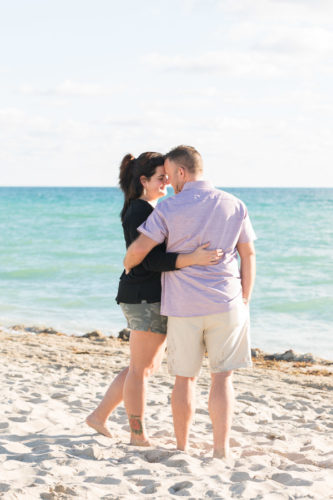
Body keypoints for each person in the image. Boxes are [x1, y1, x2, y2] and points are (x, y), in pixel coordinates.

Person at [124, 145, 257, 458]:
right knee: (222, 378)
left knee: (184, 379)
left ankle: (182, 447)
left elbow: (140, 248)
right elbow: (248, 255)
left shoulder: (169, 208)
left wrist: (128, 261)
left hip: (184, 307)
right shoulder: (234, 203)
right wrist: (245, 298)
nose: (169, 182)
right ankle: (221, 450)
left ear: (181, 172)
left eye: (170, 175)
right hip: (227, 303)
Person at [86, 151, 222, 446]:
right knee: (141, 370)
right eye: (161, 178)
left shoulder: (149, 208)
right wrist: (193, 258)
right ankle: (137, 435)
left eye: (168, 176)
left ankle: (99, 416)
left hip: (150, 296)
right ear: (144, 181)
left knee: (143, 367)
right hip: (144, 297)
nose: (167, 181)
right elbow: (148, 261)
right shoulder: (140, 211)